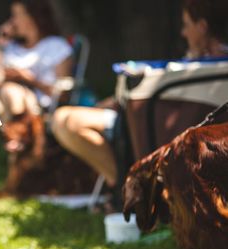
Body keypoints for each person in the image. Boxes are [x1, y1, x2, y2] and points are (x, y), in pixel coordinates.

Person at [51, 0, 228, 210]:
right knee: (67, 119)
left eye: (186, 25)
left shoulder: (191, 71)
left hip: (152, 130)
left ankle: (131, 192)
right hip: (175, 135)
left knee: (64, 120)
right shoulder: (213, 68)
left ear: (202, 27)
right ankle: (131, 190)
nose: (183, 32)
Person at [0, 0, 73, 122]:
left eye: (16, 15)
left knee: (11, 93)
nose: (12, 21)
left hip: (38, 106)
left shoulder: (57, 46)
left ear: (33, 17)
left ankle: (15, 136)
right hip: (4, 100)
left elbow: (62, 94)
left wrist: (27, 78)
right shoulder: (11, 47)